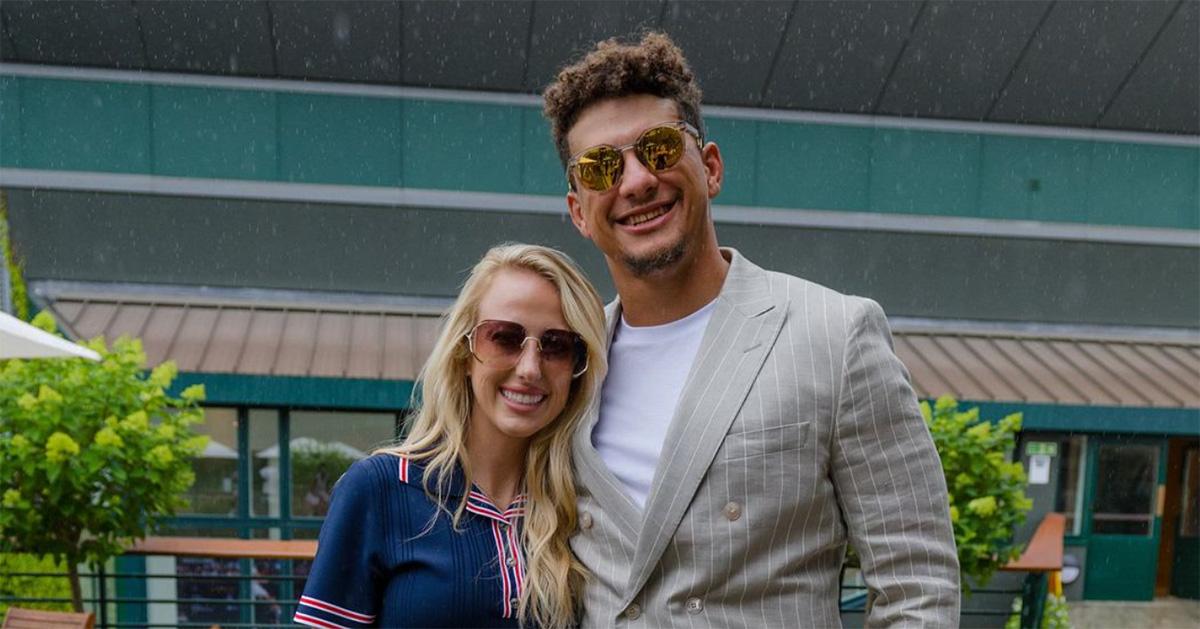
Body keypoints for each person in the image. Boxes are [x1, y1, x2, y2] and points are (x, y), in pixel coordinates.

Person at [543, 33, 961, 627]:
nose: (635, 181)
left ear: (710, 168)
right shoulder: (567, 367)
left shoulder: (834, 336)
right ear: (579, 211)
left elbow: (918, 587)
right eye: (601, 167)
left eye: (659, 148)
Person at [294, 244, 607, 629]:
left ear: (577, 368)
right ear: (464, 351)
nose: (529, 368)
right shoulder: (378, 489)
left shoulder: (581, 504)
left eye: (556, 345)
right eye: (505, 337)